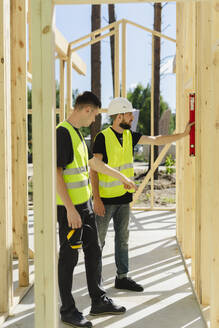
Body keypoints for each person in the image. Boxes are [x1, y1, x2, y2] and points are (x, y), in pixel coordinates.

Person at [91, 97, 194, 293]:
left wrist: (183, 135)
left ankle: (122, 278)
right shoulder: (102, 138)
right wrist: (96, 198)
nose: (132, 118)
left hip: (123, 200)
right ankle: (95, 284)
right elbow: (95, 170)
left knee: (123, 239)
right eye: (129, 114)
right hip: (104, 201)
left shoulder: (130, 136)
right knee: (99, 242)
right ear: (119, 116)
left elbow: (156, 140)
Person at [56, 92, 137, 328]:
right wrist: (70, 209)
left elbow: (94, 165)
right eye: (94, 117)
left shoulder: (78, 134)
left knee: (94, 252)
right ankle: (68, 310)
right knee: (69, 258)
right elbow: (57, 173)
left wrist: (121, 177)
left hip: (86, 206)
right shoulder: (63, 132)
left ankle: (98, 300)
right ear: (87, 110)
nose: (94, 122)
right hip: (70, 210)